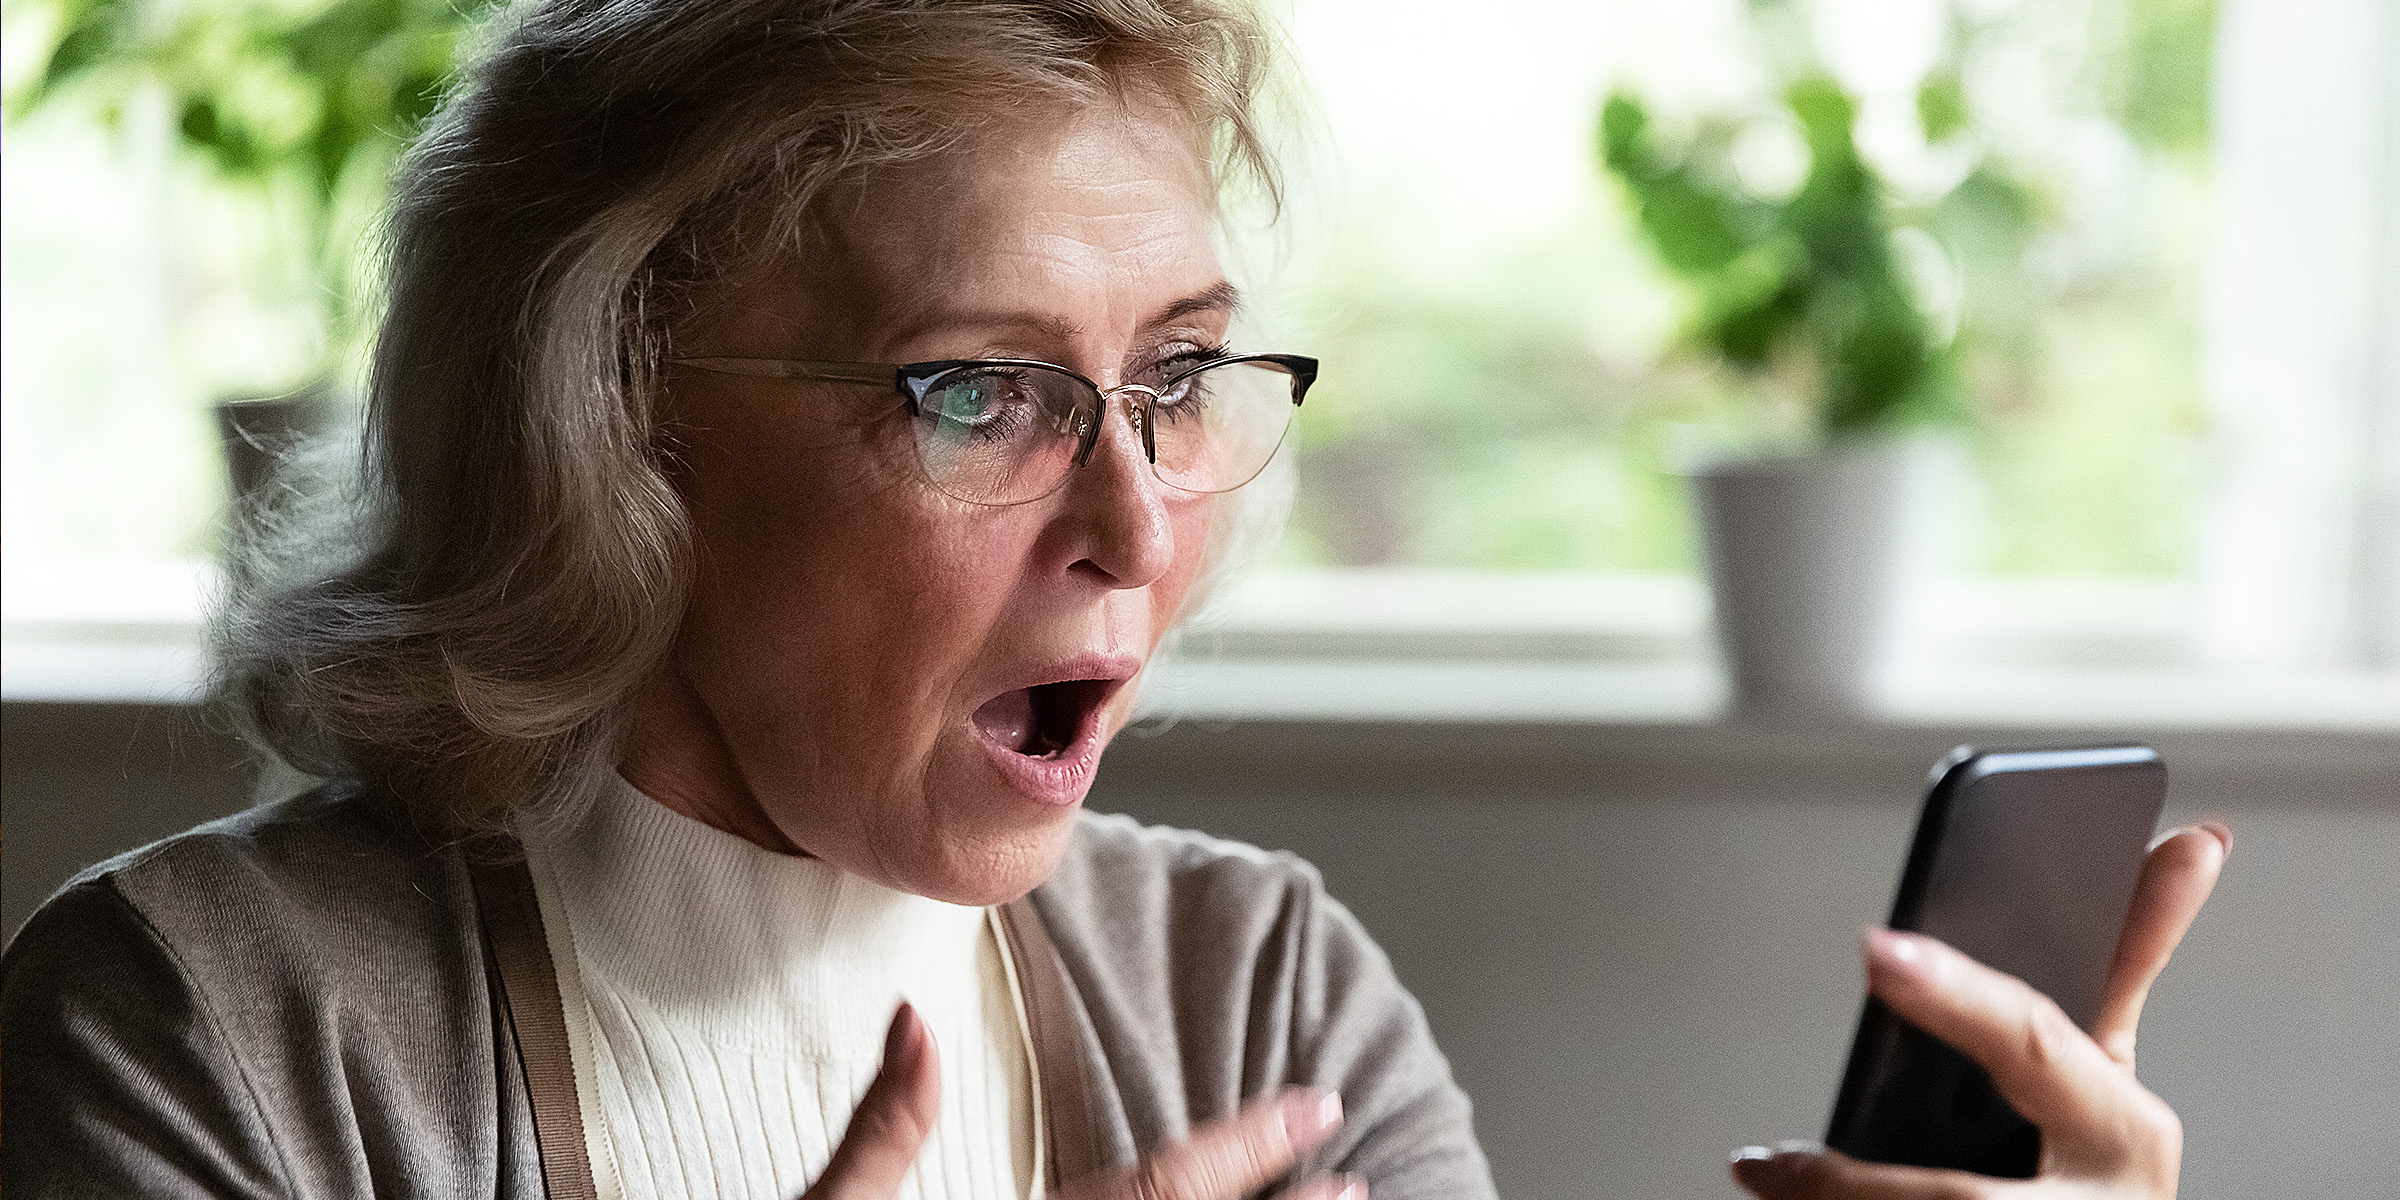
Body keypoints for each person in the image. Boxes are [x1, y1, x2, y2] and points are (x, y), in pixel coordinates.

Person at [0, 2, 2224, 1199]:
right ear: (615, 424)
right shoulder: (206, 1034)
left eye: (1176, 379)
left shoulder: (1253, 993)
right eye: (977, 394)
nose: (1137, 529)